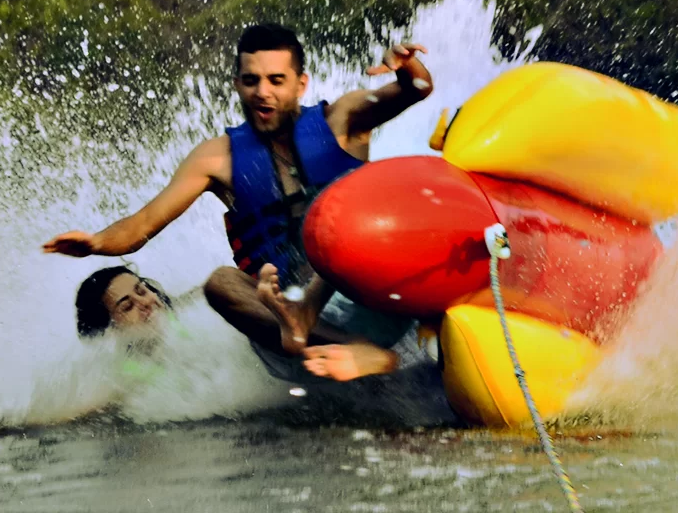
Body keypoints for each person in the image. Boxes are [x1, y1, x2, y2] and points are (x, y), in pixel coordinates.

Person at [43, 22, 434, 384]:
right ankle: (357, 349)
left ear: (301, 84)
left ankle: (431, 333)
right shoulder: (216, 159)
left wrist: (406, 67)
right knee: (221, 284)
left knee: (394, 204)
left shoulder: (345, 118)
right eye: (251, 81)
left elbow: (416, 89)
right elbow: (142, 224)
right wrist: (97, 242)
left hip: (371, 295)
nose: (262, 91)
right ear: (237, 85)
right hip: (291, 335)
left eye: (276, 80)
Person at [74, 265, 172, 339]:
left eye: (141, 291)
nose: (145, 302)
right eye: (127, 306)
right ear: (112, 329)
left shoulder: (176, 311)